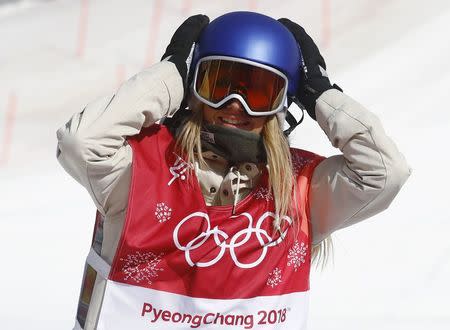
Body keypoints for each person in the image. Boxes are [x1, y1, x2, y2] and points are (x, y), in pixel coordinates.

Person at [57, 12, 410, 330]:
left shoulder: (298, 187)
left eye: (259, 92)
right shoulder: (145, 169)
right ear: (193, 88)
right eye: (219, 85)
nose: (234, 106)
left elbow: (384, 171)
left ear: (283, 102)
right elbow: (80, 143)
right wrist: (169, 76)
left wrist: (321, 95)